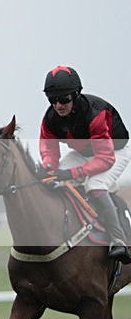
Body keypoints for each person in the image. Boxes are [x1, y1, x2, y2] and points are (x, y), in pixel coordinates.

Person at [38, 65, 131, 262]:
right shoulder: (50, 118)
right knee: (53, 179)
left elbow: (105, 159)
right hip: (83, 152)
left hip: (115, 151)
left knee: (94, 184)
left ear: (76, 95)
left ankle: (118, 239)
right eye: (53, 100)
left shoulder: (95, 115)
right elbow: (49, 149)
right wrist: (48, 166)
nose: (58, 105)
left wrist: (72, 174)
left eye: (64, 99)